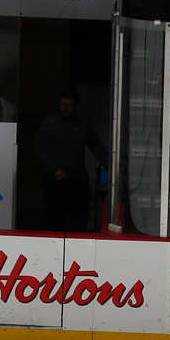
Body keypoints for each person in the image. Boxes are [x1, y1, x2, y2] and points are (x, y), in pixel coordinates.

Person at [34, 91, 107, 233]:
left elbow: (95, 145)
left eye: (69, 105)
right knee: (54, 218)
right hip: (54, 179)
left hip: (77, 177)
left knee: (80, 217)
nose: (65, 108)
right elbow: (39, 148)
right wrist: (54, 169)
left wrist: (109, 165)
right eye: (63, 104)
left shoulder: (83, 122)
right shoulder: (50, 123)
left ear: (76, 105)